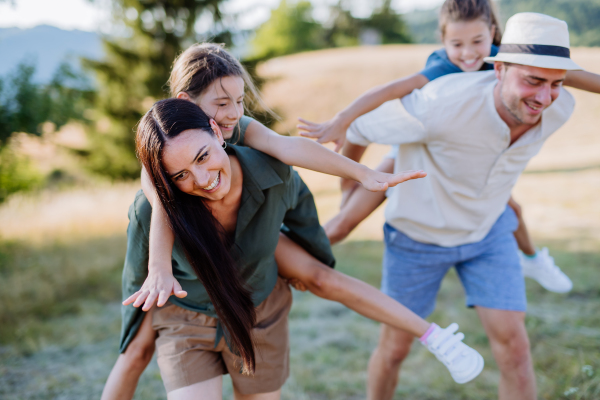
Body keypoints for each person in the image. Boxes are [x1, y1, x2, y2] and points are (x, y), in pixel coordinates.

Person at [101, 45, 482, 399]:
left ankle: (434, 336)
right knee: (137, 348)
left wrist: (364, 174)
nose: (233, 112)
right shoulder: (164, 168)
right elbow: (157, 197)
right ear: (189, 103)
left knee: (321, 276)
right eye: (222, 103)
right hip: (191, 308)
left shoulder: (243, 134)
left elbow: (292, 148)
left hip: (256, 286)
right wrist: (159, 268)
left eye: (239, 101)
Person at [304, 12, 591, 400]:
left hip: (488, 233)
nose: (544, 97)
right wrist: (348, 192)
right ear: (499, 68)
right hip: (416, 238)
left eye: (556, 84)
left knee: (516, 351)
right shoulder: (436, 105)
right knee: (395, 350)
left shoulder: (560, 107)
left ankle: (533, 258)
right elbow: (356, 129)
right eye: (533, 81)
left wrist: (549, 83)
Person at [299, 0, 600, 294]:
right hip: (409, 147)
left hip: (468, 157)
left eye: (477, 41)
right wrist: (344, 142)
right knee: (343, 223)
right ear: (443, 41)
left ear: (492, 34)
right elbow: (389, 92)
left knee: (512, 209)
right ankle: (284, 260)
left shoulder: (507, 58)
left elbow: (576, 77)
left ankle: (533, 260)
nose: (468, 54)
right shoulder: (443, 66)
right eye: (456, 44)